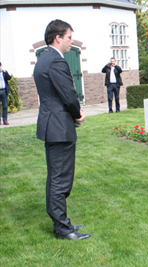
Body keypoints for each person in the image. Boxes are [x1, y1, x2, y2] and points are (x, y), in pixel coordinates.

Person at [33, 19, 91, 240]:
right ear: (58, 37)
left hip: (51, 124)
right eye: (69, 37)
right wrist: (77, 115)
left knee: (55, 177)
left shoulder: (42, 59)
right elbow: (69, 94)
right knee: (61, 179)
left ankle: (62, 222)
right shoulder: (56, 61)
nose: (71, 41)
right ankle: (62, 228)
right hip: (59, 126)